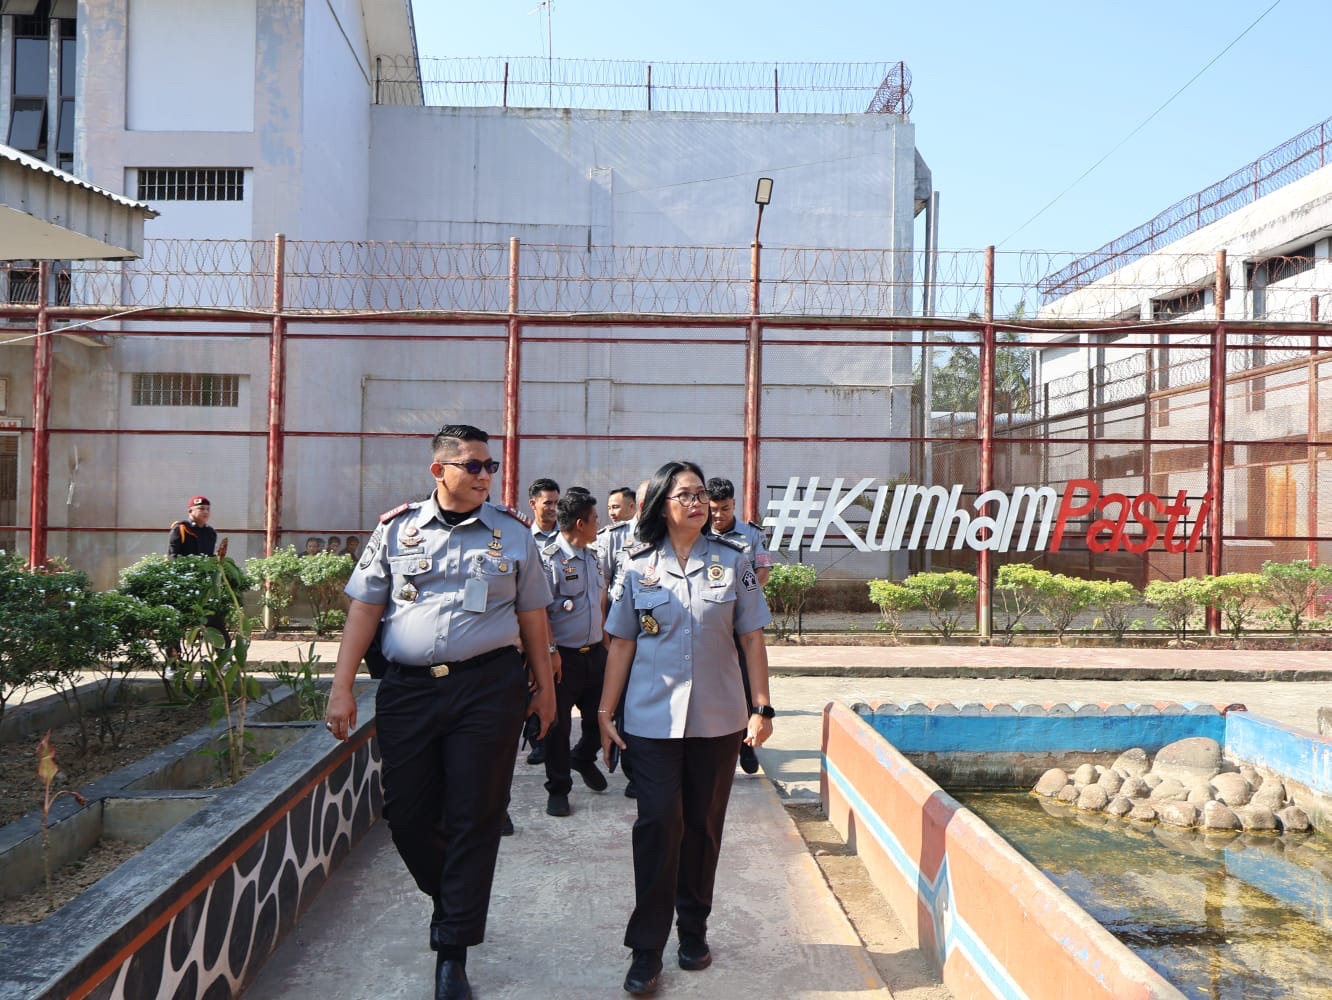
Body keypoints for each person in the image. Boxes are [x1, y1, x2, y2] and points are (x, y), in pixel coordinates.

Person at [324, 423, 556, 1000]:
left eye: (490, 467)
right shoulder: (396, 529)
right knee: (406, 815)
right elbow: (364, 610)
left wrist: (546, 689)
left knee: (476, 813)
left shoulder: (512, 533)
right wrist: (341, 686)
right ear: (440, 470)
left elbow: (532, 616)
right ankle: (450, 897)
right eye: (473, 465)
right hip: (408, 690)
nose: (485, 476)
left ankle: (453, 949)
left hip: (488, 688)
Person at [599, 460, 774, 996]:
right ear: (662, 505)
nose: (698, 504)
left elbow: (752, 637)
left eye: (701, 494)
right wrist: (604, 713)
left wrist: (762, 707)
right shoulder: (636, 566)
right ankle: (646, 947)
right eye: (685, 495)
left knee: (702, 826)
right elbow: (622, 642)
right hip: (650, 720)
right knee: (658, 823)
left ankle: (693, 929)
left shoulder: (733, 561)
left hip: (718, 720)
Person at [538, 490, 609, 816]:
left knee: (601, 716)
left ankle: (582, 757)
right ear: (581, 524)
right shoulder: (549, 559)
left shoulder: (593, 557)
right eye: (595, 519)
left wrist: (606, 643)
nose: (599, 524)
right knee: (558, 727)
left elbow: (599, 603)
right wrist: (550, 651)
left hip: (595, 654)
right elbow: (538, 612)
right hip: (562, 658)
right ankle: (558, 789)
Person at [705, 477, 776, 775]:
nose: (718, 515)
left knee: (747, 684)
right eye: (713, 509)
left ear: (734, 504)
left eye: (724, 508)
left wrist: (737, 597)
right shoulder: (698, 534)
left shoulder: (752, 535)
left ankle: (746, 746)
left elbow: (764, 572)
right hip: (711, 622)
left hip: (742, 622)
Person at [524, 477, 561, 766]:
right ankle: (535, 739)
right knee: (533, 683)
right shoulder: (522, 537)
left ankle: (550, 741)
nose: (553, 508)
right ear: (533, 504)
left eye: (556, 503)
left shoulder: (567, 537)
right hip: (532, 626)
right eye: (547, 503)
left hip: (561, 625)